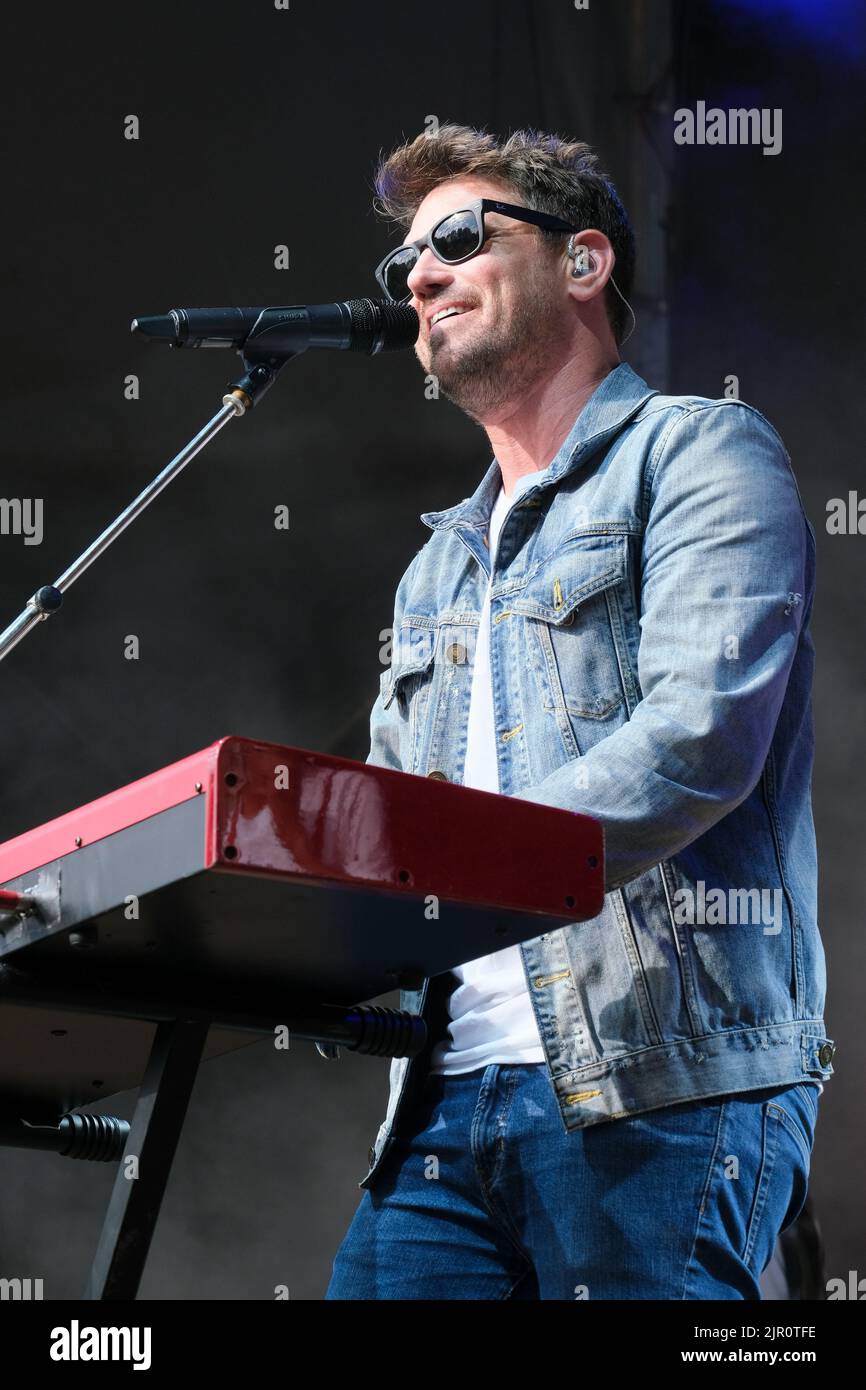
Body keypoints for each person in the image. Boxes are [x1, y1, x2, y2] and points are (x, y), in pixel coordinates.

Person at [325, 123, 834, 1300]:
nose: (418, 276)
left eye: (457, 236)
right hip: (438, 1108)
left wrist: (458, 865)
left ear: (584, 262)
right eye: (402, 263)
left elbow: (697, 736)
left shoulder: (701, 453)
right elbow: (390, 824)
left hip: (659, 1088)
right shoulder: (435, 569)